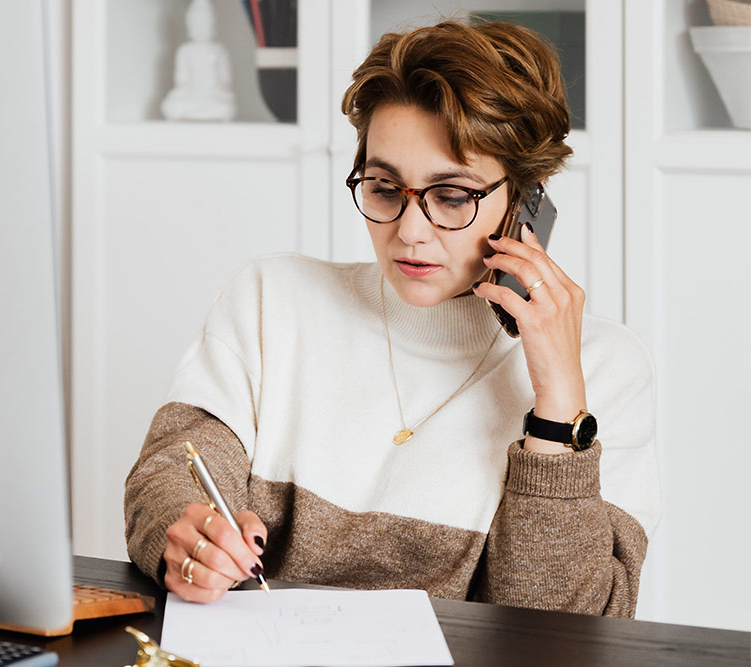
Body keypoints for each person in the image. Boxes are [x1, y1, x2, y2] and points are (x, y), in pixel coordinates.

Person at [125, 20, 660, 617]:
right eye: (384, 188)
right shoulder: (271, 300)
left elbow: (561, 629)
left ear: (527, 200)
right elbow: (170, 477)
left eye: (452, 196)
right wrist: (187, 533)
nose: (409, 232)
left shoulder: (606, 369)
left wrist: (558, 410)